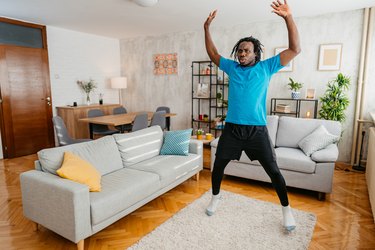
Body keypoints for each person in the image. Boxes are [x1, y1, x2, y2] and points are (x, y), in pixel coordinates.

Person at [204, 0, 301, 231]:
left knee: (274, 171)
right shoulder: (232, 67)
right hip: (232, 130)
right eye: (239, 50)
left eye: (246, 50)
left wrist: (288, 18)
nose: (241, 53)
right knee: (217, 166)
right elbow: (213, 53)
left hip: (257, 130)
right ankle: (216, 197)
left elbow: (295, 49)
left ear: (256, 53)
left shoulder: (266, 67)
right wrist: (206, 28)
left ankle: (287, 210)